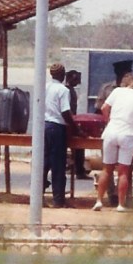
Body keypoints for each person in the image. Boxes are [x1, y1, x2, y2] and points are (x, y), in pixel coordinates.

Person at [94, 72, 133, 212]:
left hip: (111, 131)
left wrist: (109, 120)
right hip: (127, 133)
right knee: (123, 171)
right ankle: (120, 204)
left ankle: (99, 201)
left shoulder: (117, 91)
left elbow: (104, 108)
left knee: (107, 169)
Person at [43, 63, 76, 208]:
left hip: (43, 127)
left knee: (43, 163)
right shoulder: (63, 90)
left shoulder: (44, 87)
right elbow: (65, 112)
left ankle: (38, 197)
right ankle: (58, 200)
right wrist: (75, 127)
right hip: (57, 128)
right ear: (62, 75)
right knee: (58, 165)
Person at [67, 69, 92, 179]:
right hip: (68, 122)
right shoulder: (67, 91)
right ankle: (79, 171)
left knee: (79, 147)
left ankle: (78, 169)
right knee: (79, 144)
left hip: (71, 120)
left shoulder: (71, 91)